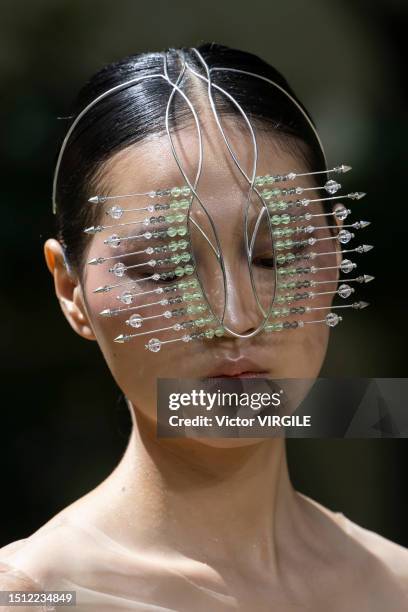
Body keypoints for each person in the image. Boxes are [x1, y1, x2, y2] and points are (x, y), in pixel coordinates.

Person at [0, 43, 406, 611]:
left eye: (275, 257)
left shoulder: (396, 584)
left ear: (336, 255)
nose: (235, 319)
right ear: (71, 289)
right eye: (163, 270)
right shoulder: (37, 597)